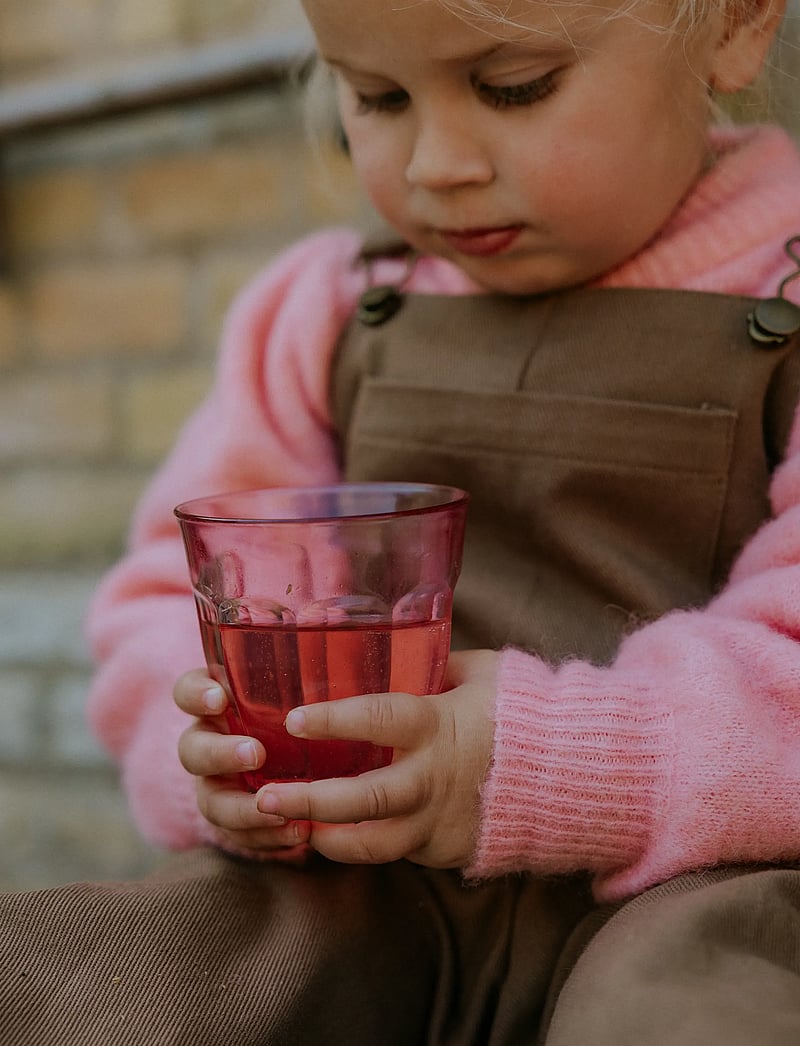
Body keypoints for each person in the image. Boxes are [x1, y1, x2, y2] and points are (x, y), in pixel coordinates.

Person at [2, 0, 800, 1043]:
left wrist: (537, 759)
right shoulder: (327, 314)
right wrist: (214, 747)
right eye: (375, 97)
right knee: (93, 983)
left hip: (702, 898)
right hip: (364, 880)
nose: (437, 162)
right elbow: (166, 593)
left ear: (734, 24)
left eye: (512, 86)